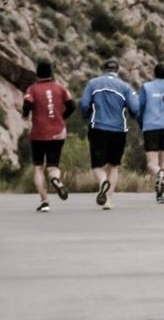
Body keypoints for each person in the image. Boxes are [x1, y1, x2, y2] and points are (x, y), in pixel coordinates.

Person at [79, 58, 140, 210]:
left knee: (97, 165)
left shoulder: (93, 83)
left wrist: (87, 115)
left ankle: (102, 182)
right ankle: (108, 200)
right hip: (118, 130)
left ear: (104, 69)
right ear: (117, 70)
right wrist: (133, 115)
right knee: (114, 166)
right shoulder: (125, 87)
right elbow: (135, 107)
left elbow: (84, 104)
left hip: (98, 127)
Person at [22, 61, 75, 212]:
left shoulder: (32, 89)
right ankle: (55, 180)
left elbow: (27, 104)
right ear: (51, 73)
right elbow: (72, 106)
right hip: (58, 132)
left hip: (38, 133)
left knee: (38, 167)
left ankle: (45, 202)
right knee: (53, 166)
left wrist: (25, 115)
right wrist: (61, 117)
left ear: (37, 74)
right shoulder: (60, 87)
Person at [137, 63, 164, 204]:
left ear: (154, 73)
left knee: (152, 163)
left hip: (151, 126)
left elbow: (139, 107)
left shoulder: (146, 87)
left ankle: (158, 172)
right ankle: (161, 194)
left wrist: (141, 122)